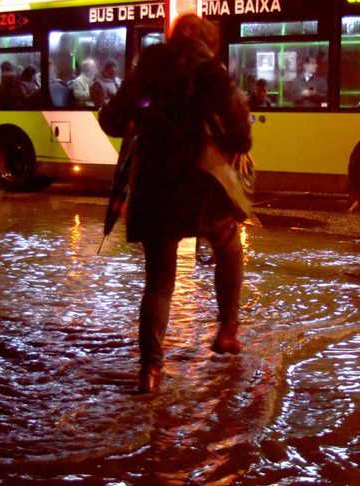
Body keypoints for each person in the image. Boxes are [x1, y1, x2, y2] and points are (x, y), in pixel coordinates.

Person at [99, 14, 252, 393]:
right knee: (229, 245)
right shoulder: (213, 72)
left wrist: (141, 118)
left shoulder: (148, 66)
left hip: (155, 186)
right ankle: (227, 331)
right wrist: (236, 146)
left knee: (159, 282)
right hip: (201, 187)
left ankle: (150, 371)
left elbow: (112, 119)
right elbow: (240, 128)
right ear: (206, 42)